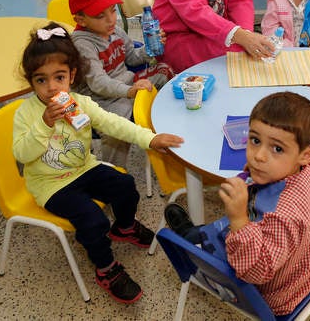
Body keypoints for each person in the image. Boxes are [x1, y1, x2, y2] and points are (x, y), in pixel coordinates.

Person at [12, 22, 184, 303]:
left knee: (125, 184)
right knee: (92, 219)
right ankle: (106, 269)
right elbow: (22, 154)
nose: (51, 87)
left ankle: (124, 227)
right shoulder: (26, 113)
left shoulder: (79, 102)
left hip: (83, 168)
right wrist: (44, 125)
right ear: (31, 81)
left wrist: (150, 139)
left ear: (72, 76)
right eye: (41, 80)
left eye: (59, 77)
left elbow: (113, 124)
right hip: (50, 185)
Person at [164, 92, 310, 316]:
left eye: (277, 149)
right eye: (255, 141)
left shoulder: (284, 215)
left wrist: (238, 219)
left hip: (272, 294)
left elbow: (255, 272)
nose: (259, 156)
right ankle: (198, 235)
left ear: (306, 154)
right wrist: (267, 169)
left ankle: (192, 237)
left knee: (213, 234)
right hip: (308, 266)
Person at [68, 0, 173, 168]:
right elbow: (98, 83)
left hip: (126, 87)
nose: (111, 19)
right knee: (117, 128)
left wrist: (150, 48)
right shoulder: (82, 44)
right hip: (98, 100)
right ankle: (115, 171)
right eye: (100, 16)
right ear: (80, 20)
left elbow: (131, 58)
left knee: (165, 72)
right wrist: (129, 90)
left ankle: (168, 128)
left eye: (113, 11)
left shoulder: (115, 31)